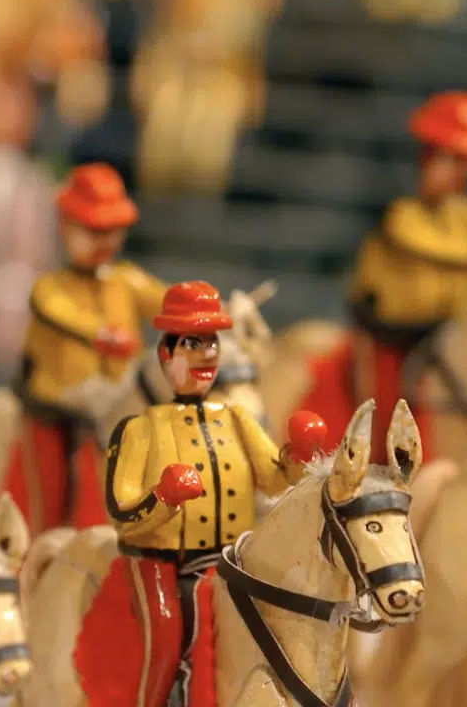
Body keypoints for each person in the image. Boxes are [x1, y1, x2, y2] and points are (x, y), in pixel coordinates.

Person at [74, 281, 327, 707]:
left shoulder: (237, 419)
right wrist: (164, 498)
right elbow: (124, 514)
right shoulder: (140, 430)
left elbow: (274, 479)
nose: (207, 353)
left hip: (232, 561)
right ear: (166, 355)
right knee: (164, 642)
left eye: (211, 342)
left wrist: (298, 454)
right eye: (193, 342)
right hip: (165, 564)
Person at [348, 90, 467, 461]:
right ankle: (377, 461)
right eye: (454, 160)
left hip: (443, 333)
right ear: (427, 157)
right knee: (385, 405)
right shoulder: (403, 214)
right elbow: (424, 247)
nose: (463, 172)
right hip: (390, 333)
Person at [3, 163, 167, 537]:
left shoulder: (124, 279)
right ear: (66, 228)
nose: (104, 241)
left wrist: (199, 306)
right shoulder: (50, 288)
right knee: (46, 489)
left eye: (112, 231)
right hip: (58, 409)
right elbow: (62, 315)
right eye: (92, 231)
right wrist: (102, 335)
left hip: (111, 399)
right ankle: (36, 540)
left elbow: (160, 297)